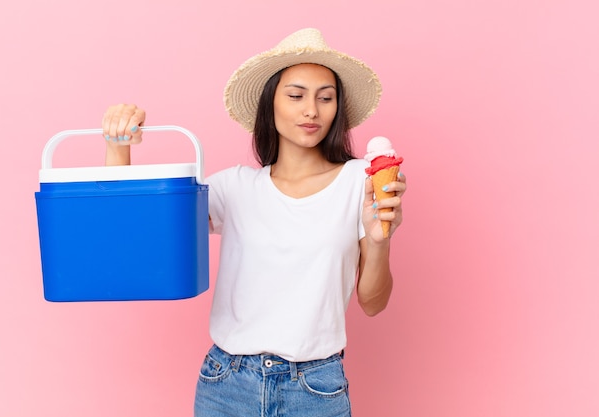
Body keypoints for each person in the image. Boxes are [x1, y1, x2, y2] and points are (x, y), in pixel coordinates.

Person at [101, 28, 406, 417]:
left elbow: (373, 304)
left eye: (325, 98)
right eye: (296, 95)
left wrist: (380, 242)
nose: (311, 110)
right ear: (270, 104)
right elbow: (139, 236)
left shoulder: (360, 182)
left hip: (315, 389)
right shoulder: (233, 187)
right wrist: (117, 147)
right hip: (226, 383)